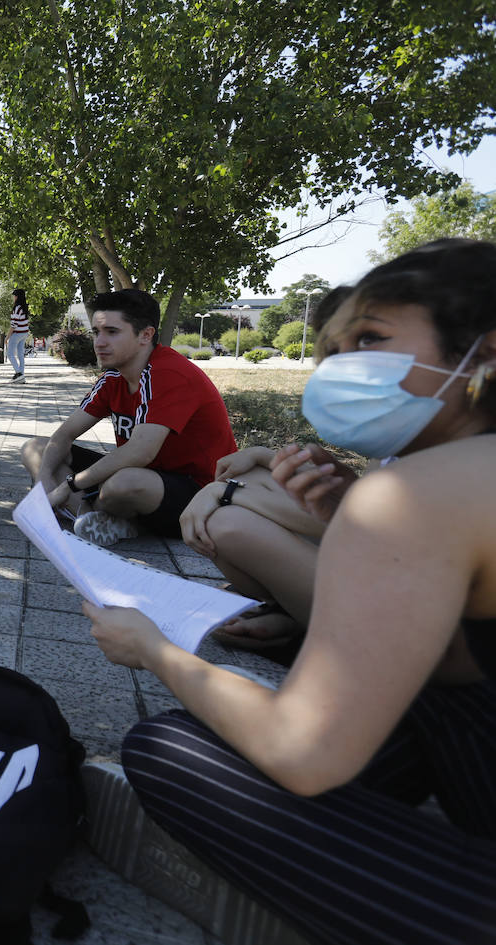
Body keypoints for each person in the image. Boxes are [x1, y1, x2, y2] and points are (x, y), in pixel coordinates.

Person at [85, 239, 496, 945]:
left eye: (370, 340)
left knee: (164, 747)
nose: (341, 371)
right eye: (334, 351)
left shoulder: (419, 493)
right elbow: (461, 661)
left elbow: (303, 751)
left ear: (483, 355)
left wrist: (153, 648)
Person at [177, 286, 357, 652]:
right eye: (330, 352)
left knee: (228, 519)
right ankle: (290, 613)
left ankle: (309, 629)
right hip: (374, 576)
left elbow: (359, 532)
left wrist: (223, 493)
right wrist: (259, 454)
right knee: (246, 478)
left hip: (394, 620)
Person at [22, 288, 237, 547]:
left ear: (145, 335)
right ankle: (88, 518)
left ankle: (86, 510)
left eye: (112, 332)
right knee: (35, 448)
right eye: (96, 332)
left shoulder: (170, 374)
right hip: (141, 475)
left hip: (200, 492)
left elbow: (139, 452)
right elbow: (65, 435)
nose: (99, 342)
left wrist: (67, 486)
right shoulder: (114, 377)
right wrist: (45, 481)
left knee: (122, 484)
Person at [7, 288, 31, 382]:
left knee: (10, 354)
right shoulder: (24, 308)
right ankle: (21, 376)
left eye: (14, 296)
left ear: (17, 297)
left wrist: (7, 337)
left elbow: (14, 325)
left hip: (17, 334)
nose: (13, 298)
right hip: (24, 333)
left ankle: (19, 373)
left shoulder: (17, 308)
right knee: (20, 355)